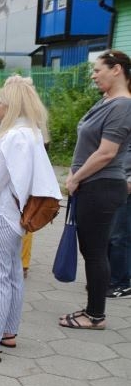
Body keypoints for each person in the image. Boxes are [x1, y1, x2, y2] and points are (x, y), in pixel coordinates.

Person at [0, 76, 61, 365]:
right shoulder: (30, 133)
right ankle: (7, 331)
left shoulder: (12, 136)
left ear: (12, 105)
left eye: (2, 101)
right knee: (13, 274)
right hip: (14, 216)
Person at [60, 50, 131, 329]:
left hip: (101, 186)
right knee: (91, 249)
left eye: (98, 70)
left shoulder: (123, 106)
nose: (93, 75)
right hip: (92, 184)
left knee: (95, 251)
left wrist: (76, 178)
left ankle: (95, 315)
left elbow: (106, 153)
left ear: (116, 70)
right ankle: (92, 309)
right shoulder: (108, 101)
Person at [106, 141, 131, 298]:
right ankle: (109, 277)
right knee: (111, 235)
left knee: (120, 237)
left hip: (126, 184)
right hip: (115, 180)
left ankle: (121, 282)